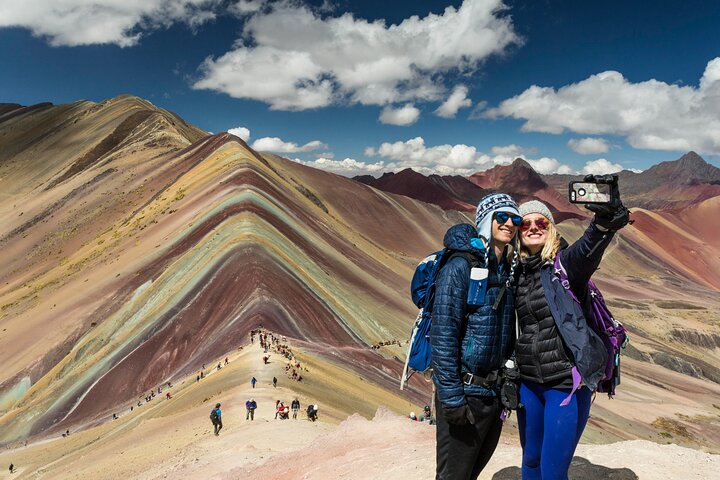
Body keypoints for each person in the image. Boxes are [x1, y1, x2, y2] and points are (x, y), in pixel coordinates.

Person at [514, 183, 630, 480]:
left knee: (553, 472)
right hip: (528, 384)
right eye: (524, 224)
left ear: (550, 228)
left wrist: (603, 224)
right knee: (530, 462)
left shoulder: (564, 266)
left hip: (565, 386)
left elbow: (586, 251)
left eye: (541, 222)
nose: (533, 228)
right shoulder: (514, 273)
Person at [431, 193, 521, 480]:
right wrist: (452, 398)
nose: (509, 223)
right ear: (485, 220)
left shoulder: (507, 269)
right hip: (465, 395)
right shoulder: (460, 267)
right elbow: (443, 334)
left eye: (515, 219)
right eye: (502, 216)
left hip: (491, 397)